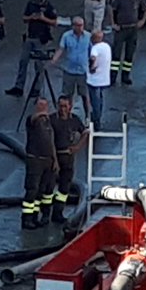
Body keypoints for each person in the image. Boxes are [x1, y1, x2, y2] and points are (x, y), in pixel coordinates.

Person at [7, 0, 58, 97]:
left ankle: (37, 89)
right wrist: (31, 17)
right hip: (30, 37)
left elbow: (54, 22)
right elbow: (24, 18)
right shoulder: (31, 4)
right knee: (23, 61)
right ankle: (19, 87)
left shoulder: (49, 6)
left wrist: (43, 18)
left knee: (39, 65)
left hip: (41, 39)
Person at [50, 96, 90, 224]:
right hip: (53, 157)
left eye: (65, 106)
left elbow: (85, 132)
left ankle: (58, 212)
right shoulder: (52, 120)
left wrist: (78, 146)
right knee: (48, 186)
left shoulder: (74, 120)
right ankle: (45, 214)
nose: (63, 109)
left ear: (70, 107)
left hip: (68, 158)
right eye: (60, 106)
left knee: (64, 187)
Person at [23, 98, 58, 229]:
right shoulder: (32, 120)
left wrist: (55, 160)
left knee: (41, 191)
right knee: (32, 189)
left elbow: (51, 142)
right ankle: (26, 219)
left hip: (47, 161)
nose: (42, 108)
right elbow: (32, 118)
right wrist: (42, 114)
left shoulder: (48, 122)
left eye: (44, 105)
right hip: (35, 160)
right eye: (40, 105)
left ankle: (35, 216)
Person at [110, 0, 146, 85]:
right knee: (116, 55)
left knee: (129, 54)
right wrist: (113, 24)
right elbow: (112, 9)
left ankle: (125, 77)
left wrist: (142, 21)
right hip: (121, 29)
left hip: (133, 29)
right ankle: (112, 78)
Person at [52, 17, 92, 120]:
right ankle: (67, 115)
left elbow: (92, 52)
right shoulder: (66, 36)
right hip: (69, 70)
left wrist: (93, 65)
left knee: (84, 94)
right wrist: (54, 59)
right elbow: (61, 49)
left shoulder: (88, 36)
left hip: (82, 71)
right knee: (68, 94)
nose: (80, 28)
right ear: (73, 26)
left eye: (82, 25)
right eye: (78, 25)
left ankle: (88, 116)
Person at [87, 30, 112, 128]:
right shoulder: (107, 46)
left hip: (94, 80)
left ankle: (96, 120)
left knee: (95, 101)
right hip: (104, 78)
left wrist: (92, 67)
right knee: (100, 99)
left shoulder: (95, 48)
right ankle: (99, 117)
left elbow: (93, 58)